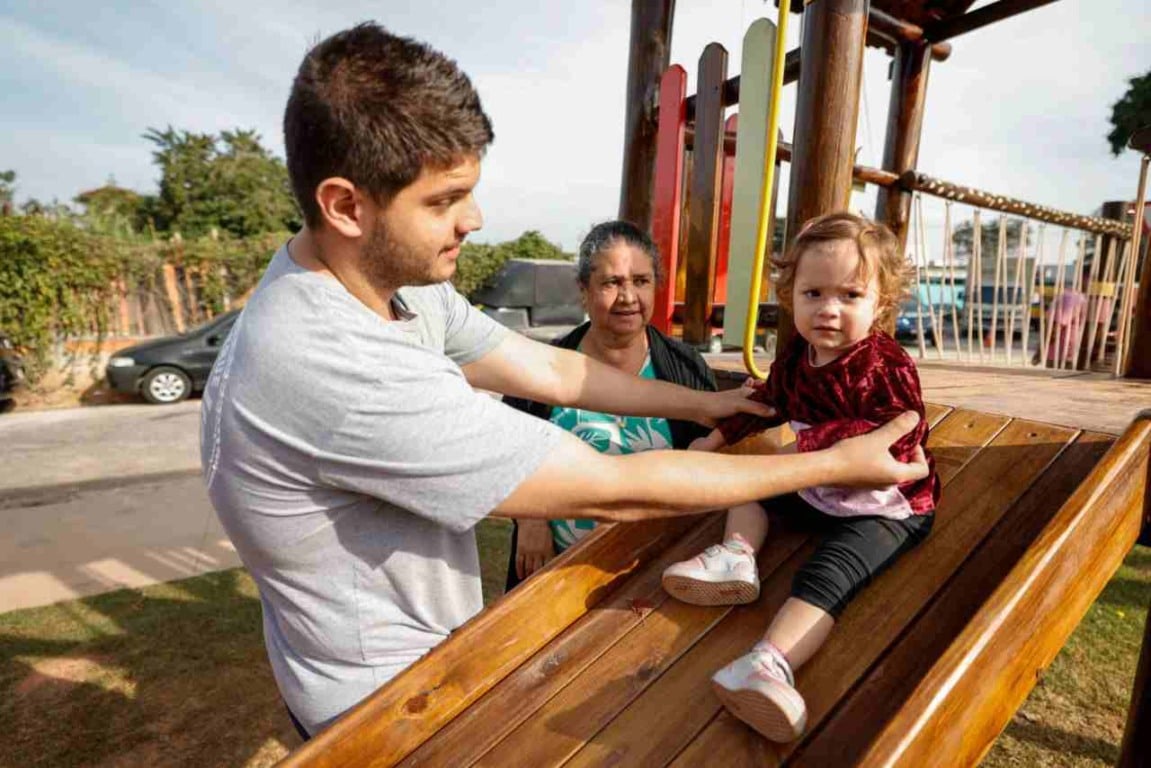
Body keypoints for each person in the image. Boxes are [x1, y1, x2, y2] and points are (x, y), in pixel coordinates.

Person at [199, 25, 929, 739]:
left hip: (426, 661)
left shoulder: (383, 282)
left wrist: (706, 401)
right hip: (382, 711)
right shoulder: (332, 362)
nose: (474, 220)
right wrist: (836, 464)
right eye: (443, 200)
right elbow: (611, 487)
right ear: (345, 205)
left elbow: (551, 369)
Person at [661, 212, 940, 743]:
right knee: (748, 484)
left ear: (880, 304)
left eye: (850, 296)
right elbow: (767, 403)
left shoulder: (885, 364)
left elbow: (898, 436)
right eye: (813, 293)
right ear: (791, 296)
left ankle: (767, 664)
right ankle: (737, 555)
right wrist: (715, 441)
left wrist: (805, 445)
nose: (828, 310)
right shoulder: (795, 356)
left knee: (825, 577)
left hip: (883, 502)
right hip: (816, 483)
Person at [504, 220, 717, 589]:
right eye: (611, 283)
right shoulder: (544, 364)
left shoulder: (683, 368)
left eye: (641, 281)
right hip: (554, 574)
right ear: (583, 290)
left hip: (654, 572)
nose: (628, 297)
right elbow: (503, 451)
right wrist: (529, 519)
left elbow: (710, 466)